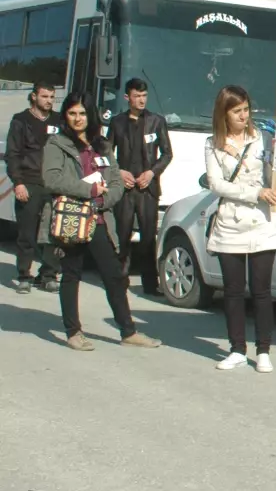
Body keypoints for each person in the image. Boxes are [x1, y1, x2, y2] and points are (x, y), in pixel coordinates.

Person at [42, 92, 161, 351]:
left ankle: (128, 332)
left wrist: (104, 201)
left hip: (97, 219)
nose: (77, 119)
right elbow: (52, 179)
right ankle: (73, 332)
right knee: (72, 273)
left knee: (114, 275)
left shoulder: (102, 145)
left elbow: (116, 181)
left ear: (91, 115)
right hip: (72, 218)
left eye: (82, 113)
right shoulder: (57, 144)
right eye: (72, 113)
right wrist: (90, 191)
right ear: (65, 116)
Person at [205, 85, 276, 373]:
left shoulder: (261, 138)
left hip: (262, 222)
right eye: (237, 111)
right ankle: (237, 348)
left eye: (246, 110)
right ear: (224, 114)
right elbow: (216, 184)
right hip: (230, 221)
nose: (243, 115)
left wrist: (274, 174)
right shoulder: (212, 143)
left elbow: (274, 170)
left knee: (261, 290)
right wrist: (254, 193)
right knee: (233, 291)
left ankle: (264, 350)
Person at [109, 77, 174, 296]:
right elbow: (105, 154)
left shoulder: (157, 121)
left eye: (144, 96)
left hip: (147, 189)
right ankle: (119, 279)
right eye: (137, 96)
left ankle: (149, 283)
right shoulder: (117, 122)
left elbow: (167, 154)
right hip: (125, 189)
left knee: (148, 237)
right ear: (127, 97)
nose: (141, 100)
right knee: (123, 234)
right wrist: (118, 172)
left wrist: (152, 172)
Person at [6, 81, 62, 293]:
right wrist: (18, 183)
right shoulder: (21, 120)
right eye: (45, 96)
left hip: (53, 185)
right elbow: (13, 154)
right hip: (29, 183)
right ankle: (24, 276)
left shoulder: (59, 120)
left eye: (51, 97)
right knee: (27, 233)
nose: (49, 101)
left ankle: (48, 275)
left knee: (53, 233)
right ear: (33, 97)